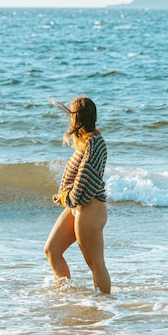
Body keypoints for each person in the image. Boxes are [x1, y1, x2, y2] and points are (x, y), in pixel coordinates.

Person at [44, 96, 111, 293]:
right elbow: (79, 183)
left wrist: (66, 198)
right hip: (78, 207)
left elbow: (84, 182)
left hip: (90, 208)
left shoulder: (95, 143)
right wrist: (66, 198)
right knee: (52, 250)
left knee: (95, 264)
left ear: (76, 118)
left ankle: (104, 307)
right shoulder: (85, 142)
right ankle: (66, 295)